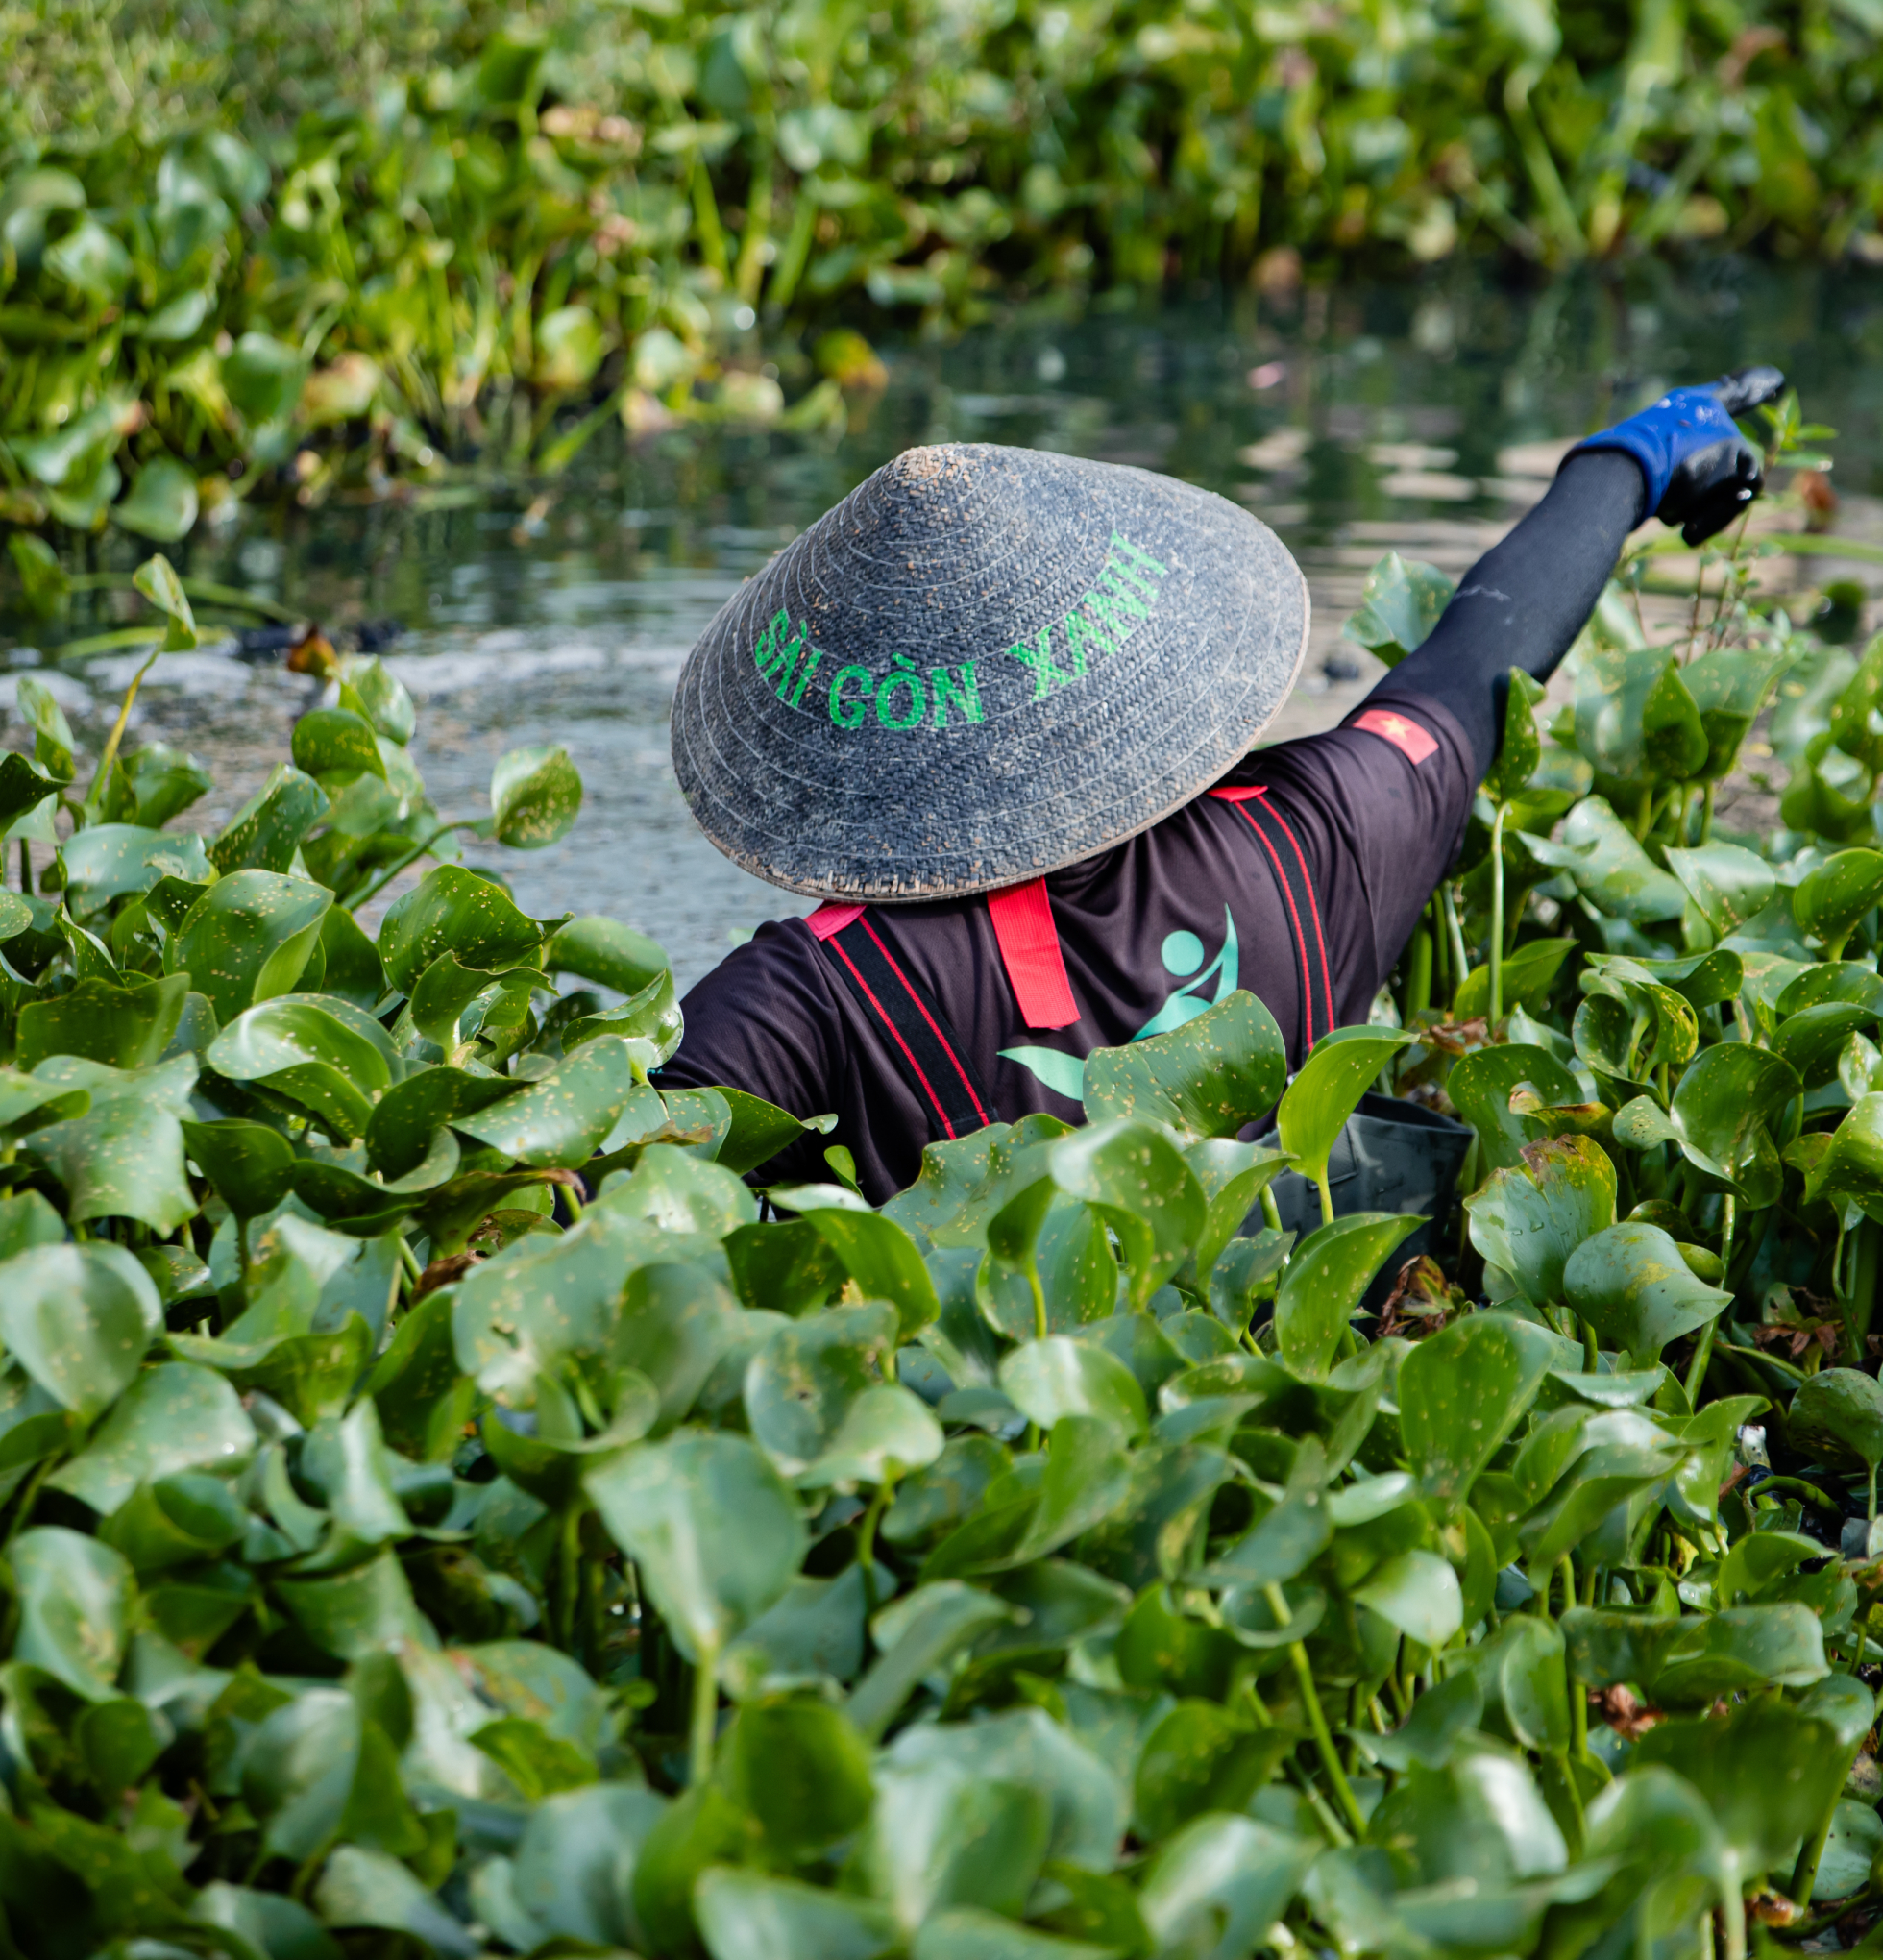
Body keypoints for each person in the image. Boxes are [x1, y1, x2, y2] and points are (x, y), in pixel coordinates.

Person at [655, 368, 1785, 1203]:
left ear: (860, 748)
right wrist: (1625, 462)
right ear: (1138, 681)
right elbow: (1477, 662)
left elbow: (622, 1178)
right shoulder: (1315, 832)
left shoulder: (814, 987)